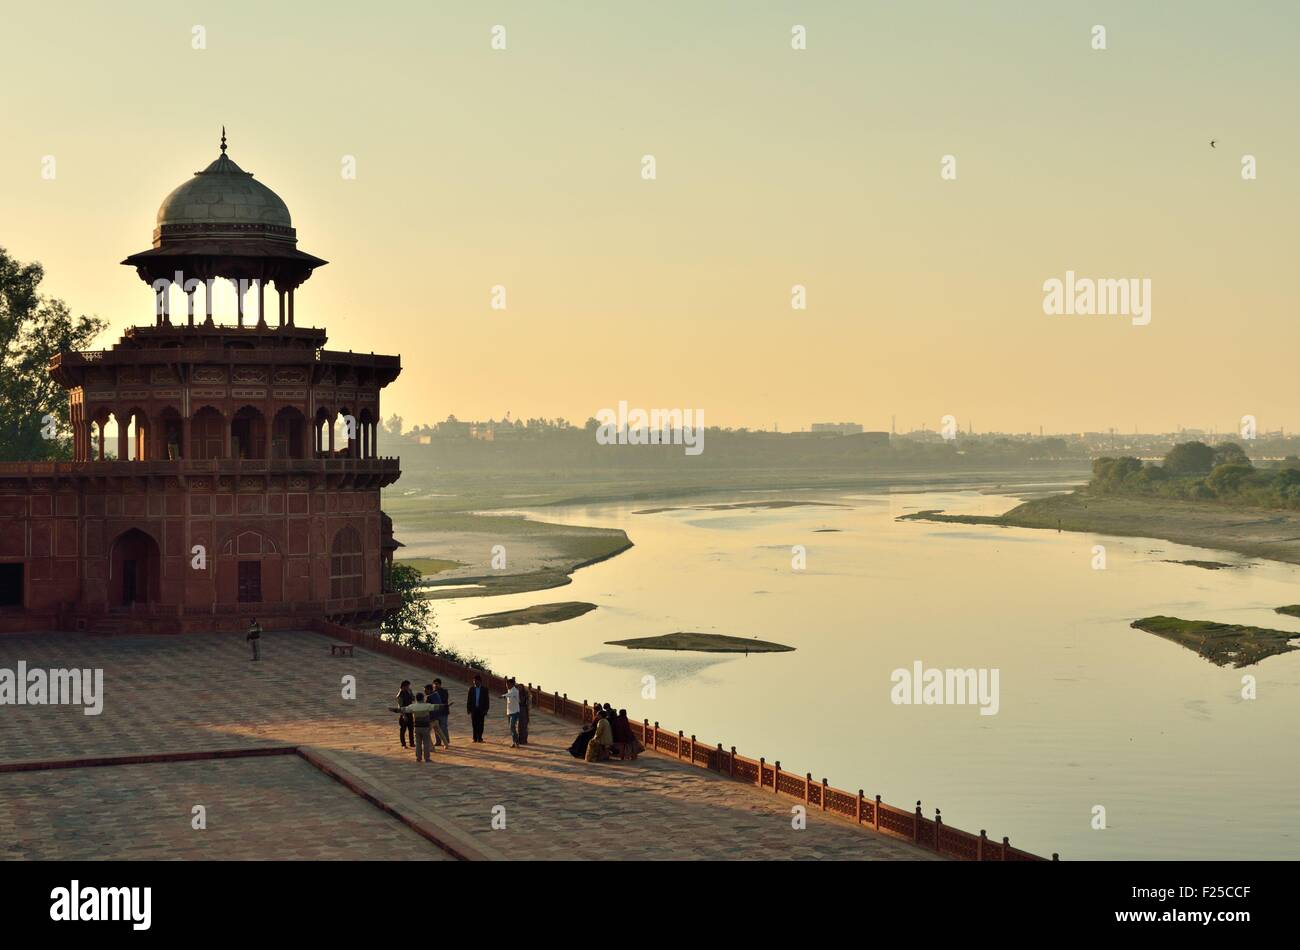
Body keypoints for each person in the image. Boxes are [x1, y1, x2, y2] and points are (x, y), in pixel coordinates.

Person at [389, 692, 437, 762]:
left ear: (416, 699)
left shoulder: (413, 706)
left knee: (418, 743)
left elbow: (402, 709)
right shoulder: (427, 705)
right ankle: (427, 758)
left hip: (417, 727)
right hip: (425, 727)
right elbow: (438, 707)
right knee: (426, 743)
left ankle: (418, 758)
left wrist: (393, 709)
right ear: (423, 698)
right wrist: (446, 706)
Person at [467, 675, 490, 742]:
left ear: (480, 681)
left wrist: (486, 709)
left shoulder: (484, 689)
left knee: (481, 724)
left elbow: (487, 700)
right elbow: (469, 699)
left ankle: (480, 738)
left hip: (481, 710)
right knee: (474, 724)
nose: (475, 682)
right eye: (474, 681)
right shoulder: (471, 689)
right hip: (473, 709)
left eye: (476, 681)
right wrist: (468, 709)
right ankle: (474, 738)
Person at [428, 678, 451, 748]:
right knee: (436, 728)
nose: (435, 685)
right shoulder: (432, 692)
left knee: (443, 727)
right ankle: (438, 741)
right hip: (436, 713)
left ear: (440, 684)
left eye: (437, 684)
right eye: (434, 684)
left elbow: (443, 701)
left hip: (443, 712)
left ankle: (446, 741)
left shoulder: (444, 691)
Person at [396, 680, 415, 749]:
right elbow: (400, 706)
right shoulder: (400, 695)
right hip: (404, 714)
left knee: (411, 729)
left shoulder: (408, 692)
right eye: (407, 686)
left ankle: (412, 743)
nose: (408, 687)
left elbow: (413, 699)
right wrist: (403, 715)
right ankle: (403, 744)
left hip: (409, 713)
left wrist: (411, 692)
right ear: (404, 686)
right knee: (403, 730)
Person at [503, 678, 521, 748]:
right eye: (506, 684)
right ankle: (514, 742)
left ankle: (516, 742)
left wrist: (503, 696)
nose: (507, 685)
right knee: (511, 728)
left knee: (512, 726)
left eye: (508, 684)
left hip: (515, 712)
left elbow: (509, 695)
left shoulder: (515, 691)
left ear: (512, 684)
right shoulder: (509, 690)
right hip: (509, 711)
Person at [516, 681, 530, 745]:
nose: (519, 688)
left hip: (523, 709)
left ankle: (524, 740)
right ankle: (519, 739)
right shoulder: (516, 694)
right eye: (518, 687)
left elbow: (528, 703)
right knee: (519, 726)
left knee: (524, 726)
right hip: (517, 709)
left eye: (520, 687)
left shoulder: (526, 694)